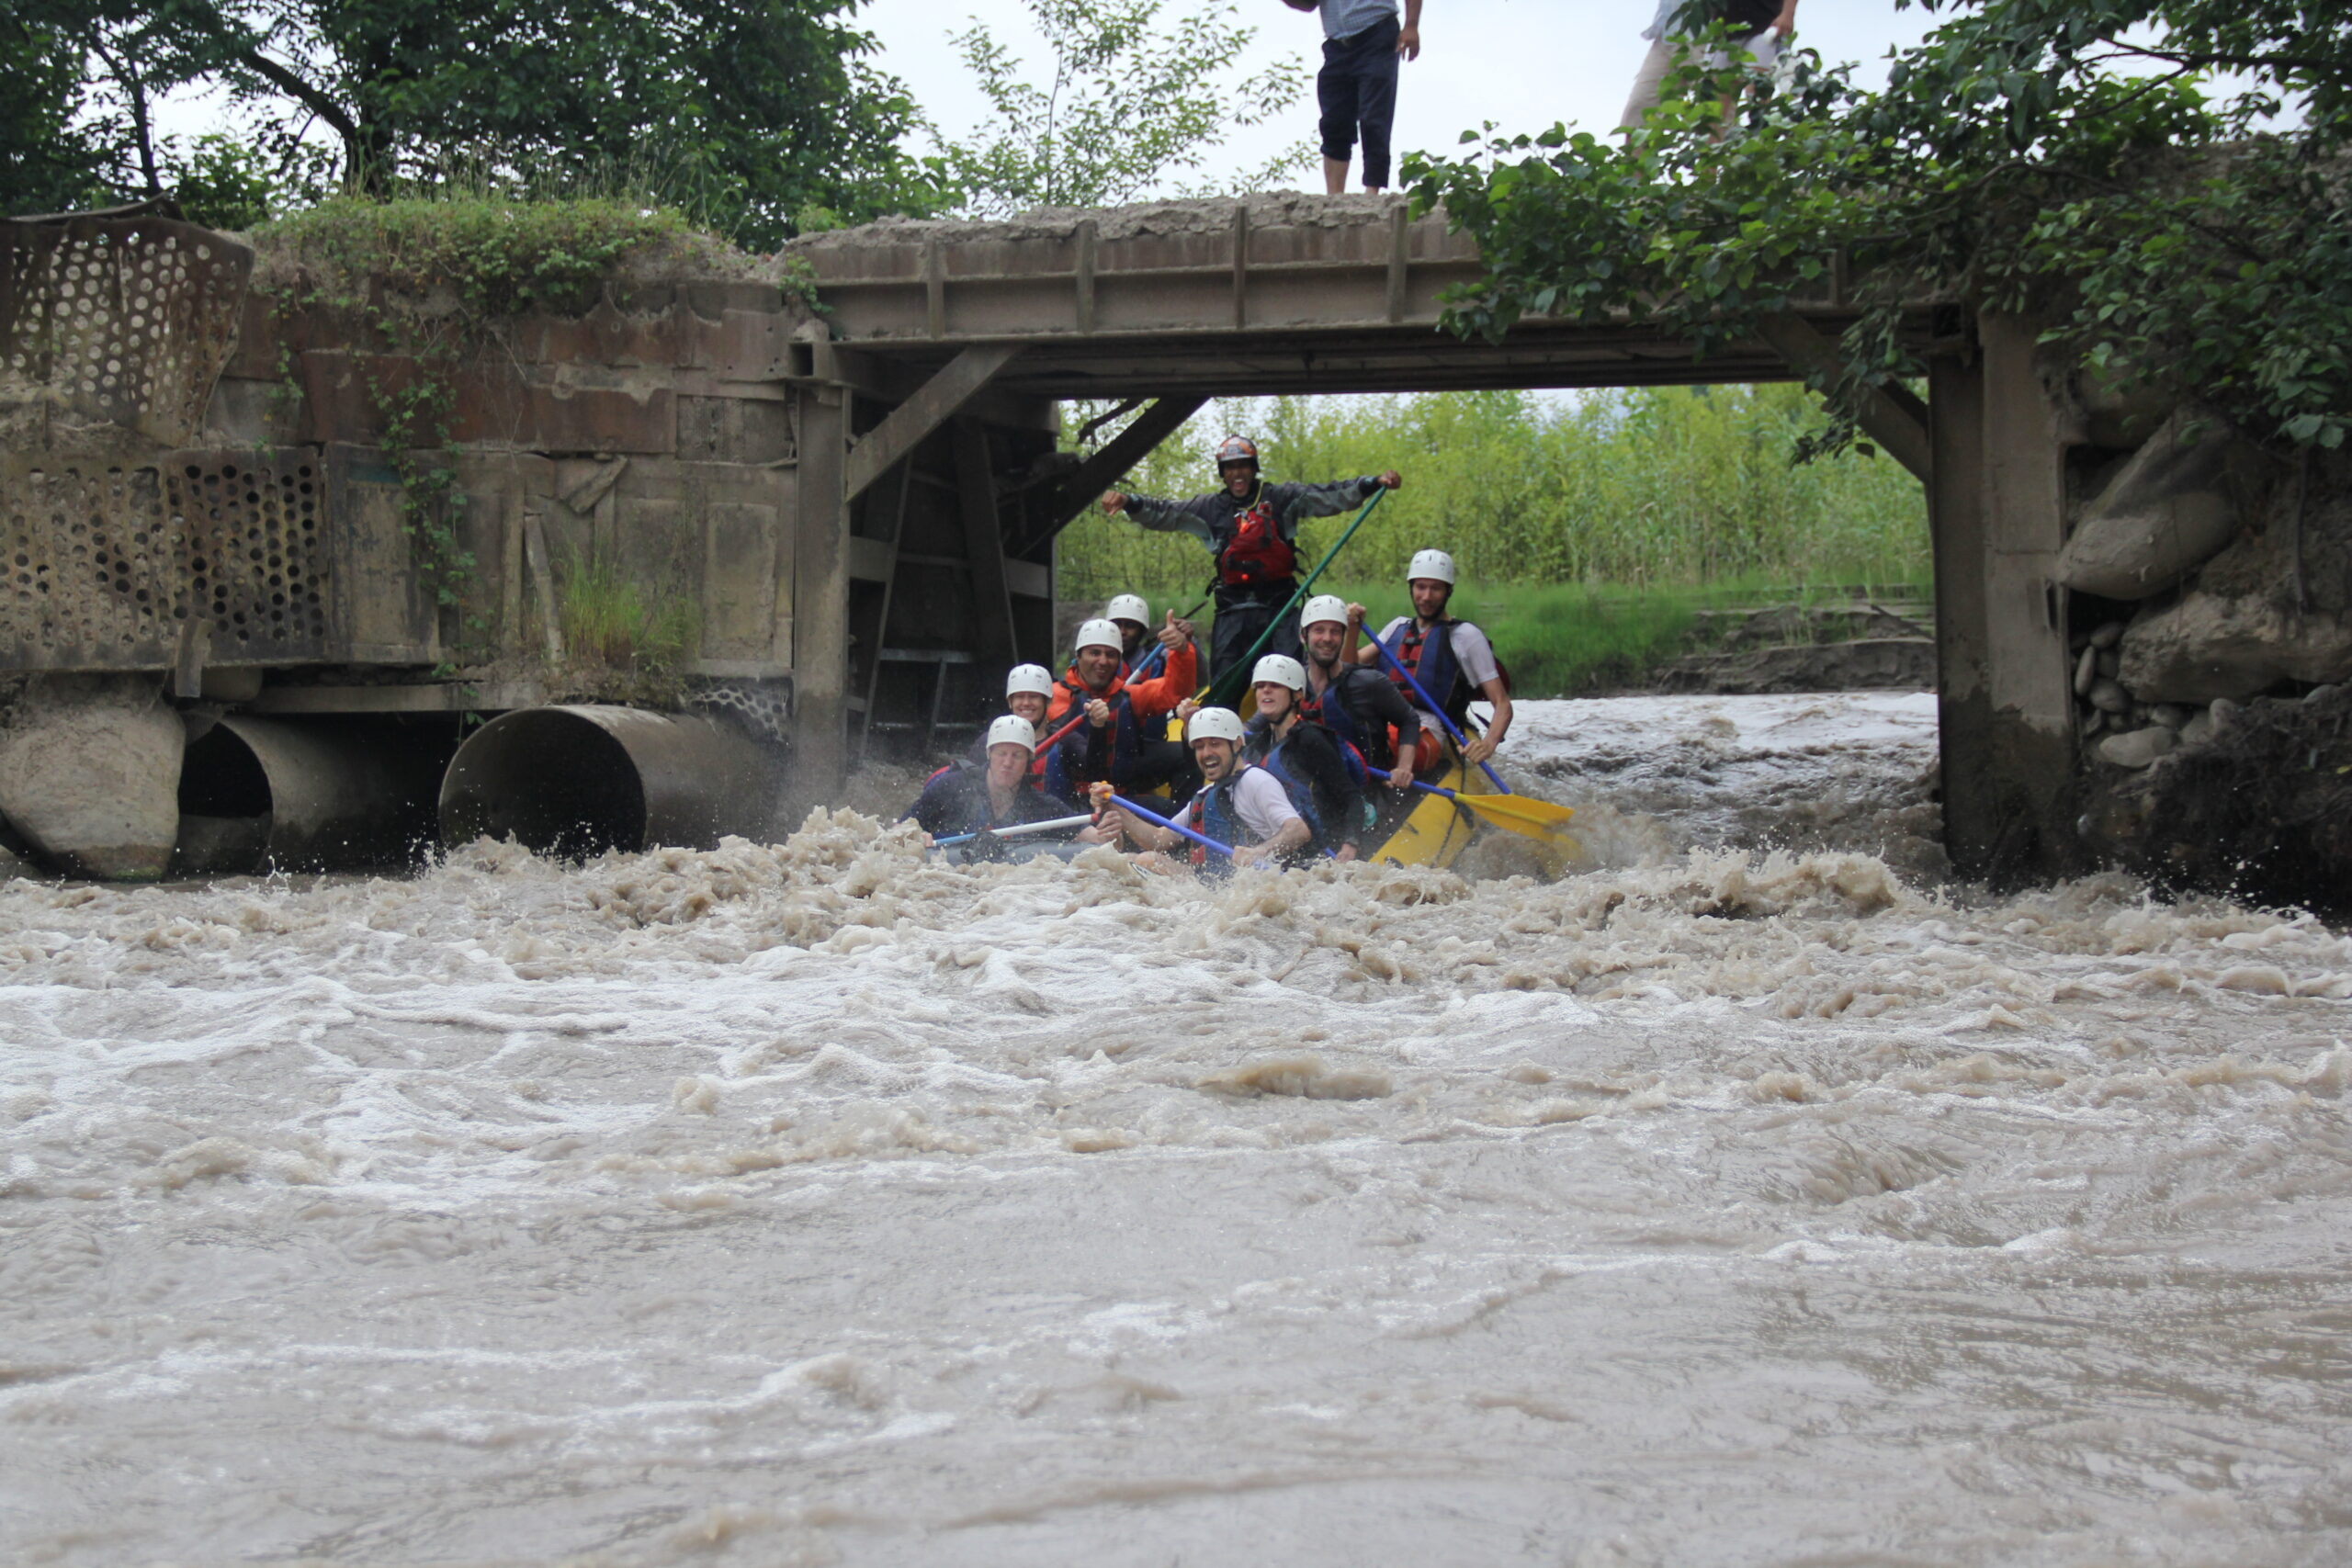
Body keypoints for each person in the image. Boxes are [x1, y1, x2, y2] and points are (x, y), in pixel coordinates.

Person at [1100, 436, 1401, 680]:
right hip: (1232, 610)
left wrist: (1372, 483)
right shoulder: (1210, 508)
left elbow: (1330, 495)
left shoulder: (1282, 498)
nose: (1237, 473)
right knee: (1227, 678)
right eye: (1230, 467)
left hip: (1280, 608)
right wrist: (1129, 502)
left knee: (1287, 676)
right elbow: (1166, 513)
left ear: (1253, 468)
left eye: (1243, 465)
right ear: (1223, 473)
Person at [1096, 706, 1312, 874]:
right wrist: (1114, 804)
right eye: (1199, 746)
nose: (1206, 753)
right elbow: (1159, 840)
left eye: (1215, 744)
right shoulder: (1206, 794)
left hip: (1256, 887)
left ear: (1236, 745)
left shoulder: (1256, 781)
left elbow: (1298, 829)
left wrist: (1259, 852)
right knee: (1136, 859)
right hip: (1213, 889)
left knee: (1145, 860)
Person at [1352, 547, 1513, 770]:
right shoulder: (1396, 627)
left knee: (1381, 745)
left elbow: (1502, 704)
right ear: (1411, 588)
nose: (1426, 596)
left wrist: (1488, 744)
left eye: (1435, 589)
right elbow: (1349, 666)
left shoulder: (1466, 636)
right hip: (1383, 721)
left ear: (1448, 591)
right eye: (1420, 587)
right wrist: (1352, 629)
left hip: (1430, 727)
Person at [1046, 615, 1201, 801]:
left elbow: (1176, 691)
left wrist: (1181, 651)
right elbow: (1075, 748)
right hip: (1072, 796)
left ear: (1119, 661)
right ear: (1078, 657)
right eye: (1094, 653)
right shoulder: (1056, 695)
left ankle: (1188, 817)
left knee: (1187, 754)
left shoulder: (1129, 696)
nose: (1103, 661)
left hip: (1122, 791)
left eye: (1110, 655)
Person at [1283, 0, 1423, 194]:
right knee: (1334, 121)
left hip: (1377, 33)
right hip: (1337, 44)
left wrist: (1411, 25)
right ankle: (1334, 197)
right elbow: (1309, 4)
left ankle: (1371, 194)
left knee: (1374, 118)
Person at [1242, 654, 1368, 863]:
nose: (1266, 690)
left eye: (1276, 685)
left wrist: (1350, 845)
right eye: (1261, 685)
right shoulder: (1259, 745)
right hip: (1279, 853)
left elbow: (1352, 797)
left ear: (1297, 694)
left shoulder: (1310, 739)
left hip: (1320, 854)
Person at [1296, 592, 1423, 796]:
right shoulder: (1291, 681)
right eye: (1319, 630)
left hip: (1366, 789)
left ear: (1343, 637)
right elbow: (1257, 725)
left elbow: (1409, 719)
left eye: (1335, 632)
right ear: (1304, 636)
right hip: (1312, 788)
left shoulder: (1369, 682)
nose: (1327, 638)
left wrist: (1404, 767)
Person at [904, 716, 1075, 854]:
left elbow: (1093, 838)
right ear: (989, 755)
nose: (1007, 763)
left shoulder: (1041, 805)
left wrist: (1102, 815)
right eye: (1001, 753)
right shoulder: (951, 786)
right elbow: (899, 831)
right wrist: (914, 837)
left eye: (1017, 756)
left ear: (1028, 760)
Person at [1619, 0, 1797, 131]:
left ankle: (1733, 173)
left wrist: (1788, 14)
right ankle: (1633, 180)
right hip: (1670, 30)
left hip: (1715, 31)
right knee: (1639, 109)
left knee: (1719, 112)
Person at [973, 663, 1092, 806]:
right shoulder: (989, 741)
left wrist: (1098, 728)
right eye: (1019, 697)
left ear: (1048, 702)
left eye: (1033, 697)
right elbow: (970, 784)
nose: (1026, 703)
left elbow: (1097, 771)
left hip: (1058, 824)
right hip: (1004, 824)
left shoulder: (1066, 740)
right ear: (1010, 702)